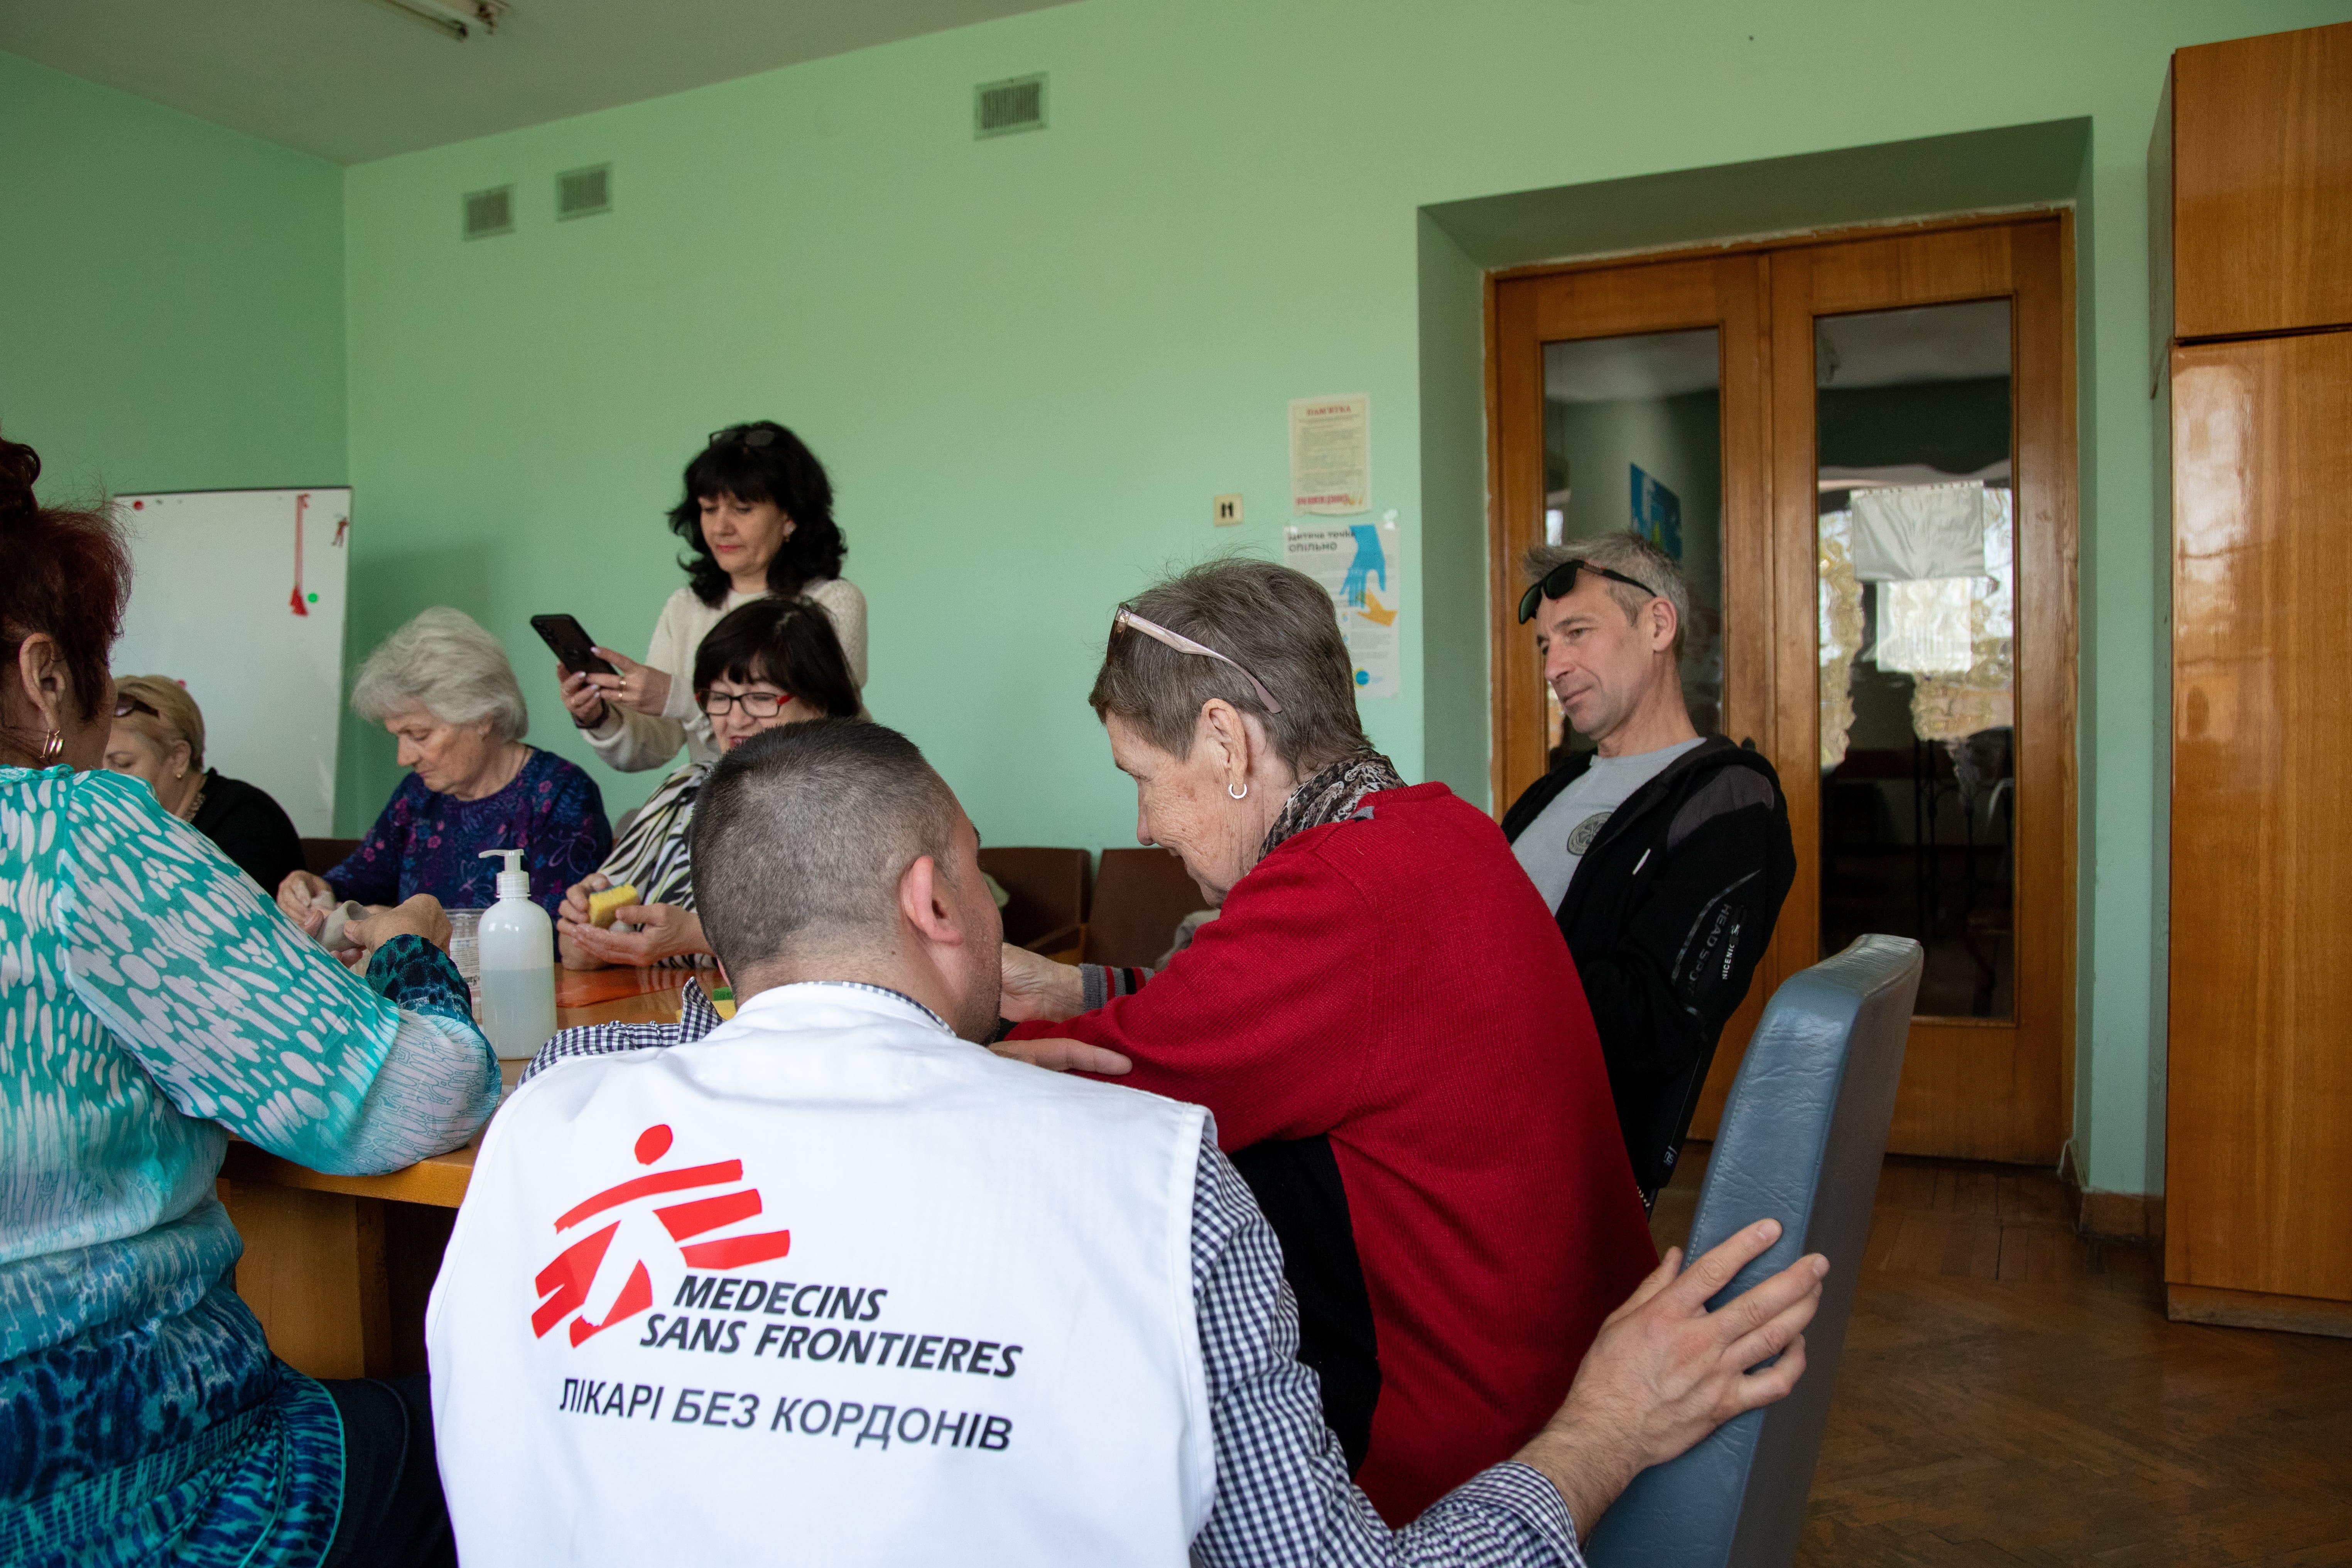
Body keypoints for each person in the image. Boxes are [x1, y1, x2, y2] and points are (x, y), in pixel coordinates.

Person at [431, 720, 1827, 1565]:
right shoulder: (1149, 1181)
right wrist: (1599, 1428)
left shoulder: (550, 1118)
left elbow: (595, 1051)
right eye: (982, 874)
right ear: (932, 900)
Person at [992, 559, 1658, 1524]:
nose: (1142, 823)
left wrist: (911, 1047)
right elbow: (1294, 1024)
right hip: (1558, 1369)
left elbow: (1094, 1086)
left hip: (1462, 1448)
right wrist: (1087, 985)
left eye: (1143, 776)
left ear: (1226, 739)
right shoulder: (1430, 831)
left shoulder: (1334, 894)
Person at [0, 431, 498, 1567]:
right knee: (532, 1403)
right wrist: (411, 962)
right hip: (141, 1497)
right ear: (45, 677)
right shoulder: (71, 831)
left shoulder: (549, 792)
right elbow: (408, 1094)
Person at [1498, 535, 1796, 1207]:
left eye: (1576, 632)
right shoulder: (1554, 790)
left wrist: (1479, 957)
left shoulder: (1727, 800)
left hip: (1560, 1160)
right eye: (1546, 645)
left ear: (1657, 625)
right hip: (1457, 1100)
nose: (1554, 666)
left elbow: (1651, 1025)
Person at [558, 596, 862, 971]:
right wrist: (582, 922)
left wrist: (696, 935)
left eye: (761, 698)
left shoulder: (853, 805)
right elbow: (578, 956)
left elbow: (850, 946)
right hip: (660, 1021)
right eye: (719, 698)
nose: (735, 719)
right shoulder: (685, 790)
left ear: (821, 702)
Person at [558, 421, 868, 773]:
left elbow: (809, 733)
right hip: (722, 810)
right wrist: (600, 717)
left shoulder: (833, 602)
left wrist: (677, 696)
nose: (721, 527)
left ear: (790, 517)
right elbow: (654, 747)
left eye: (742, 509)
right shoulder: (685, 607)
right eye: (708, 509)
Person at [276, 607, 612, 929]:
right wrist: (314, 888)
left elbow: (556, 934)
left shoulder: (560, 793)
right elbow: (356, 881)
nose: (403, 757)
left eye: (418, 735)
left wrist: (407, 926)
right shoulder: (417, 795)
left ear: (482, 718)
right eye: (397, 736)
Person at [105, 670, 306, 894]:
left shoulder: (247, 819)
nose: (103, 779)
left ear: (179, 757)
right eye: (95, 766)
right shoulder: (120, 824)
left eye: (122, 764)